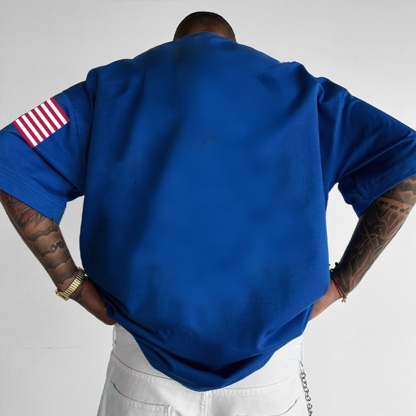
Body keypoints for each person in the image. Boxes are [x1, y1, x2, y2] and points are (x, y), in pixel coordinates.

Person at [1, 11, 416, 416]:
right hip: (271, 365)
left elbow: (12, 152)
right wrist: (342, 282)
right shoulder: (308, 95)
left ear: (175, 44)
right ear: (233, 44)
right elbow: (404, 160)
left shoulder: (111, 88)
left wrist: (72, 284)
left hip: (144, 360)